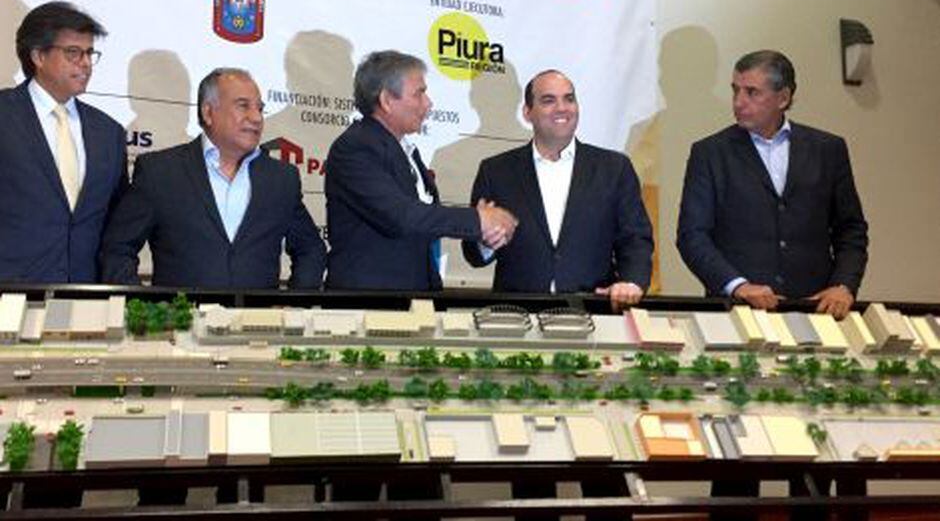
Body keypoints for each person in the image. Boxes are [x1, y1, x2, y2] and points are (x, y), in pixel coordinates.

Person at [677, 49, 868, 320]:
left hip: (816, 310)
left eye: (752, 92)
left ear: (783, 98)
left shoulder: (827, 150)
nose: (738, 102)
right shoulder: (710, 153)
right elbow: (692, 236)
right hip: (738, 313)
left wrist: (843, 285)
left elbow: (850, 229)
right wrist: (737, 286)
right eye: (735, 90)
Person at [100, 68, 325, 288]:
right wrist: (145, 307)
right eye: (243, 106)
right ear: (208, 113)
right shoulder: (159, 172)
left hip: (257, 315)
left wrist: (294, 304)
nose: (257, 118)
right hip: (180, 314)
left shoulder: (281, 178)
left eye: (260, 108)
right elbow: (117, 248)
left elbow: (311, 250)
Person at [325, 50, 517, 290]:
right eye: (419, 93)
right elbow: (401, 216)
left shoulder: (407, 151)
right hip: (372, 304)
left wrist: (485, 232)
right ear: (386, 100)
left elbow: (425, 224)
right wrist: (479, 220)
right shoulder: (355, 147)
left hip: (416, 300)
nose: (428, 103)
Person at [461, 70, 654, 310]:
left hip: (593, 312)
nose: (562, 108)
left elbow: (635, 238)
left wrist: (632, 282)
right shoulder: (496, 171)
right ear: (527, 112)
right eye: (548, 100)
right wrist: (485, 242)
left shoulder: (614, 168)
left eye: (569, 99)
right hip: (517, 315)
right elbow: (473, 253)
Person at [0, 1, 127, 283]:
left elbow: (118, 225)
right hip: (9, 295)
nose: (85, 63)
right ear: (38, 56)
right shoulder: (5, 115)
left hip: (86, 295)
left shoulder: (109, 133)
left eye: (89, 53)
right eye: (73, 53)